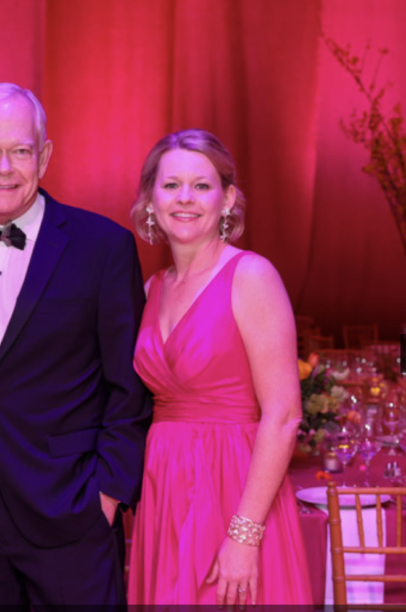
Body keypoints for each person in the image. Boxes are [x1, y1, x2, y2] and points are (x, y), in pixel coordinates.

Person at [0, 82, 151, 606]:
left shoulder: (103, 247)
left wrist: (106, 495)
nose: (3, 167)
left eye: (20, 150)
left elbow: (129, 387)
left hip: (70, 512)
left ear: (43, 156)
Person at [126, 129, 311, 606]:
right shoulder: (150, 289)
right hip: (164, 492)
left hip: (235, 489)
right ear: (151, 198)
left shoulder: (250, 276)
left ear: (228, 198)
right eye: (170, 185)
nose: (185, 198)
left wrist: (245, 534)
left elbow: (284, 415)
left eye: (202, 186)